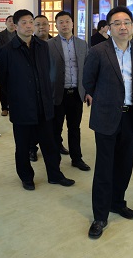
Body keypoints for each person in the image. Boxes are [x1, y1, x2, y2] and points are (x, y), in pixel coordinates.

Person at [83, 6, 133, 240]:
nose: (122, 27)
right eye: (117, 23)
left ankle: (118, 202)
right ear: (108, 28)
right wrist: (95, 98)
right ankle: (100, 216)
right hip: (106, 117)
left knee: (125, 165)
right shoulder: (98, 51)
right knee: (104, 167)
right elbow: (88, 80)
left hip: (131, 116)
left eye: (127, 22)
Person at [0, 9, 75, 191]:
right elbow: (2, 79)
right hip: (22, 106)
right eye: (24, 22)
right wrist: (16, 97)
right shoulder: (7, 50)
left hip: (44, 103)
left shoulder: (42, 46)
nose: (29, 26)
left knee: (50, 143)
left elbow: (48, 72)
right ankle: (26, 177)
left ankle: (54, 174)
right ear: (15, 26)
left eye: (31, 22)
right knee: (23, 145)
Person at [47, 11, 90, 171]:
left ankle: (76, 158)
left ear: (72, 24)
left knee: (74, 128)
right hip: (57, 93)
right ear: (56, 25)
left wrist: (88, 90)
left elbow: (87, 69)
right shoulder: (49, 45)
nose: (64, 25)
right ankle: (54, 162)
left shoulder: (82, 44)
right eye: (61, 22)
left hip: (76, 93)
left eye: (67, 21)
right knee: (55, 128)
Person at [30, 14, 52, 161]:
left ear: (49, 26)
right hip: (35, 92)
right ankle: (32, 148)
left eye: (44, 24)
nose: (41, 27)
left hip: (53, 91)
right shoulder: (29, 44)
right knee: (34, 123)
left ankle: (56, 144)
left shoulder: (55, 43)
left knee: (53, 123)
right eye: (37, 24)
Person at [0, 15, 16, 116]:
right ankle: (4, 108)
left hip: (16, 64)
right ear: (5, 23)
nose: (11, 23)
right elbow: (0, 49)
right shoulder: (0, 35)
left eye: (13, 21)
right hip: (4, 63)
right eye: (9, 21)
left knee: (16, 86)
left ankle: (14, 106)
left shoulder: (19, 33)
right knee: (3, 87)